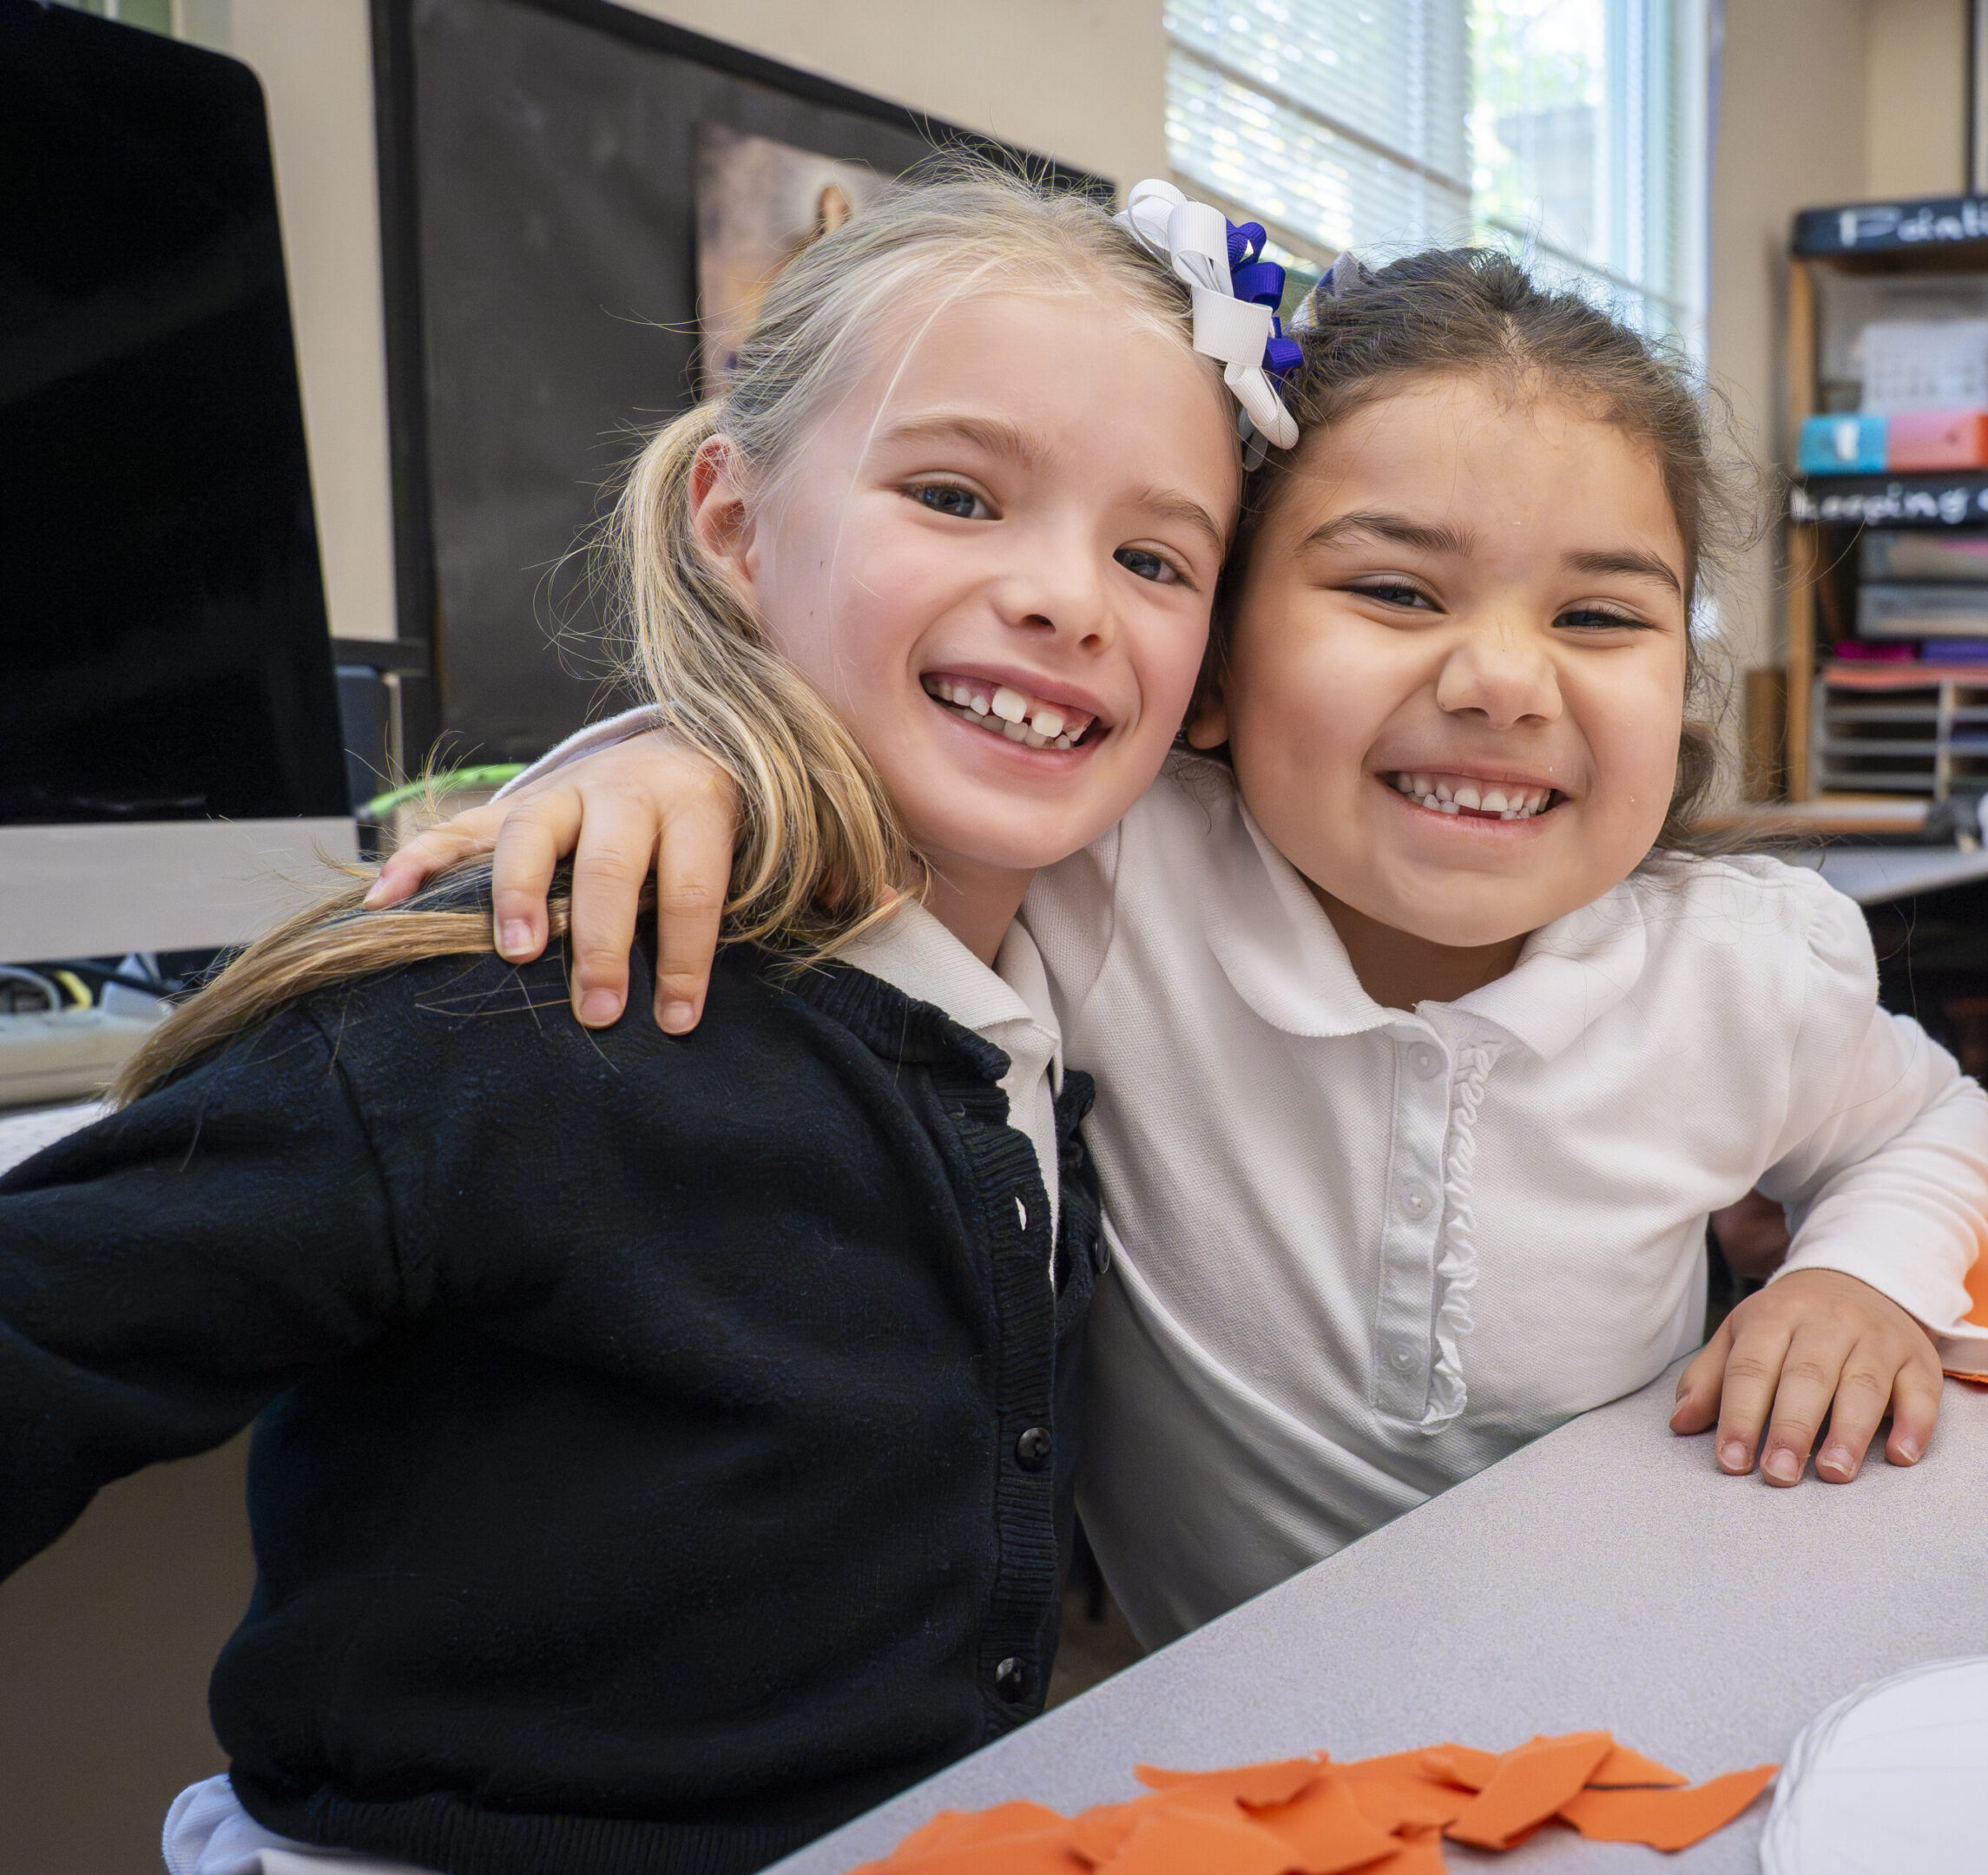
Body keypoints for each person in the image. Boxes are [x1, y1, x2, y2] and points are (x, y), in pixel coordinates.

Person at [379, 244, 1988, 1646]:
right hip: (1232, 1759)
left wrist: (1858, 1276)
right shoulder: (1102, 876)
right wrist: (669, 758)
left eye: (1600, 617)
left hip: (1660, 1657)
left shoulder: (1743, 970)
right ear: (1209, 670)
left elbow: (1927, 1122)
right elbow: (876, 733)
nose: (1508, 680)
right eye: (1394, 591)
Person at [0, 166, 1255, 1875]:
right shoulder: (515, 995)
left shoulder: (1052, 1003)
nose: (1070, 598)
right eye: (957, 495)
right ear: (736, 527)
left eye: (1155, 556)